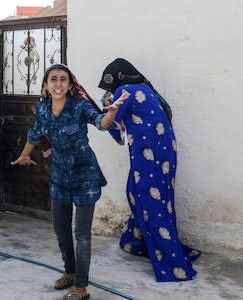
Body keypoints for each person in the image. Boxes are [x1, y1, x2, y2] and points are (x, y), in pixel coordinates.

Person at [11, 64, 127, 300]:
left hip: (85, 177)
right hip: (59, 178)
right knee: (61, 230)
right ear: (45, 85)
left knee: (82, 234)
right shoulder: (43, 109)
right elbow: (35, 133)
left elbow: (100, 123)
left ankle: (81, 287)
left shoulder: (80, 106)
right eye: (53, 79)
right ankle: (70, 271)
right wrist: (24, 154)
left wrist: (112, 113)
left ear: (70, 85)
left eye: (63, 79)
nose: (58, 84)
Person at [98, 58, 200, 282]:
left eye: (107, 87)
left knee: (148, 201)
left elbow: (112, 125)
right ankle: (134, 241)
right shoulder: (145, 88)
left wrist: (105, 105)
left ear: (117, 79)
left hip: (148, 153)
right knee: (142, 194)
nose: (107, 91)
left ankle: (173, 263)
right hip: (164, 152)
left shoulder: (123, 91)